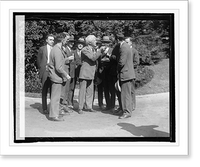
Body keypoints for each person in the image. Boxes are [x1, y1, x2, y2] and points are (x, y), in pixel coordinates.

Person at [78, 34, 106, 114]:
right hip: (84, 73)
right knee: (82, 91)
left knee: (90, 91)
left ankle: (89, 106)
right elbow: (93, 58)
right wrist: (100, 51)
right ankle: (80, 107)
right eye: (94, 40)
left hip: (91, 73)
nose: (96, 42)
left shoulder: (94, 49)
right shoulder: (84, 49)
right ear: (90, 42)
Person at [48, 32, 71, 121]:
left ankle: (55, 113)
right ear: (62, 39)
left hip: (57, 76)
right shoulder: (57, 50)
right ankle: (53, 115)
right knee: (55, 97)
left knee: (56, 97)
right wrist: (66, 75)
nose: (67, 41)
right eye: (67, 39)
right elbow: (58, 67)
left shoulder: (58, 49)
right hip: (56, 77)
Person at [116, 33, 136, 119]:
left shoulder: (123, 47)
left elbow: (122, 62)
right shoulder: (127, 46)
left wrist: (117, 69)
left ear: (117, 40)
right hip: (129, 73)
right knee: (127, 93)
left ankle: (127, 112)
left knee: (125, 94)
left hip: (125, 73)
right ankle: (128, 110)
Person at [37, 34, 54, 114]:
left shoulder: (55, 49)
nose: (52, 41)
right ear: (47, 40)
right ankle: (44, 108)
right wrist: (42, 68)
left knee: (52, 90)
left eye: (53, 40)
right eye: (50, 39)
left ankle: (52, 108)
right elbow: (38, 60)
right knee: (44, 90)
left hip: (52, 72)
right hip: (45, 71)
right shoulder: (42, 49)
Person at [60, 34, 75, 112]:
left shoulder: (72, 50)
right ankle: (63, 105)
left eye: (73, 42)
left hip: (71, 72)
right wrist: (68, 59)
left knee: (69, 89)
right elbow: (61, 61)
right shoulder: (64, 49)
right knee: (64, 89)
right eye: (70, 42)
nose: (72, 43)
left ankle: (67, 104)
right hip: (65, 71)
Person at [97, 36, 113, 110]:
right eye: (104, 42)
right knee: (100, 89)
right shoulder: (99, 50)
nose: (105, 44)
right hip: (100, 72)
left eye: (107, 43)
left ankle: (109, 105)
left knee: (108, 89)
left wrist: (109, 57)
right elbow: (97, 60)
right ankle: (100, 104)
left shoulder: (111, 50)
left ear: (109, 44)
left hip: (108, 72)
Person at [125, 37, 140, 111]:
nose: (126, 44)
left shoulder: (134, 51)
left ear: (131, 43)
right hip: (125, 73)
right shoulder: (124, 50)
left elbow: (136, 62)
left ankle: (133, 105)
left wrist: (128, 66)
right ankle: (126, 105)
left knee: (132, 90)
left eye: (127, 42)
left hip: (131, 73)